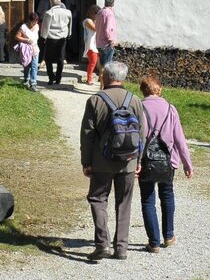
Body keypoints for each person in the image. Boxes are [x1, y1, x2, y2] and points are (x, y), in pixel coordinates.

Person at [80, 60, 146, 261]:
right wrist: (139, 160)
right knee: (124, 202)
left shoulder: (95, 100)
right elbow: (142, 134)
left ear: (106, 76)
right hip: (128, 161)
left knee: (98, 199)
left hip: (102, 162)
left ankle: (102, 244)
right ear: (123, 78)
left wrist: (86, 162)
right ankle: (122, 248)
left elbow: (87, 134)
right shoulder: (135, 100)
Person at [137, 74, 194, 252]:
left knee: (147, 199)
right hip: (168, 161)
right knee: (167, 195)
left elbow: (136, 138)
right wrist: (187, 164)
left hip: (146, 161)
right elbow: (180, 140)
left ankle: (153, 242)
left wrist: (134, 161)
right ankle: (168, 236)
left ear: (143, 90)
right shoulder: (171, 109)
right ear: (159, 89)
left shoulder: (139, 108)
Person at [40, 0, 73, 85]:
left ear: (51, 2)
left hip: (51, 38)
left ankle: (51, 78)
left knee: (48, 59)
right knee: (60, 58)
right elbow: (70, 25)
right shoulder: (68, 12)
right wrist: (69, 33)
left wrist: (43, 37)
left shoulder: (49, 13)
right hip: (63, 38)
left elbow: (45, 27)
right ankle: (58, 78)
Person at [14, 12, 40, 92]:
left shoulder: (37, 26)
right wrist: (26, 40)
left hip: (35, 48)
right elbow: (16, 37)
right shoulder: (24, 27)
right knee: (27, 66)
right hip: (26, 49)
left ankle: (33, 83)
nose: (34, 24)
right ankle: (26, 79)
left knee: (34, 66)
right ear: (29, 20)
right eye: (33, 22)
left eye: (36, 22)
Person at [94, 0, 118, 67]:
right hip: (106, 43)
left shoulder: (99, 12)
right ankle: (104, 78)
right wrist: (110, 41)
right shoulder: (109, 13)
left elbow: (96, 26)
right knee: (106, 66)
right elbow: (108, 29)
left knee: (101, 65)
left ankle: (100, 78)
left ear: (105, 3)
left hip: (99, 42)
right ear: (113, 4)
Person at [82, 4, 100, 85]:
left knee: (98, 63)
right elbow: (96, 28)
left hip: (96, 44)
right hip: (90, 45)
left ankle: (100, 78)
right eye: (96, 14)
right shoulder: (87, 21)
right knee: (93, 62)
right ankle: (89, 79)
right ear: (92, 13)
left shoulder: (95, 21)